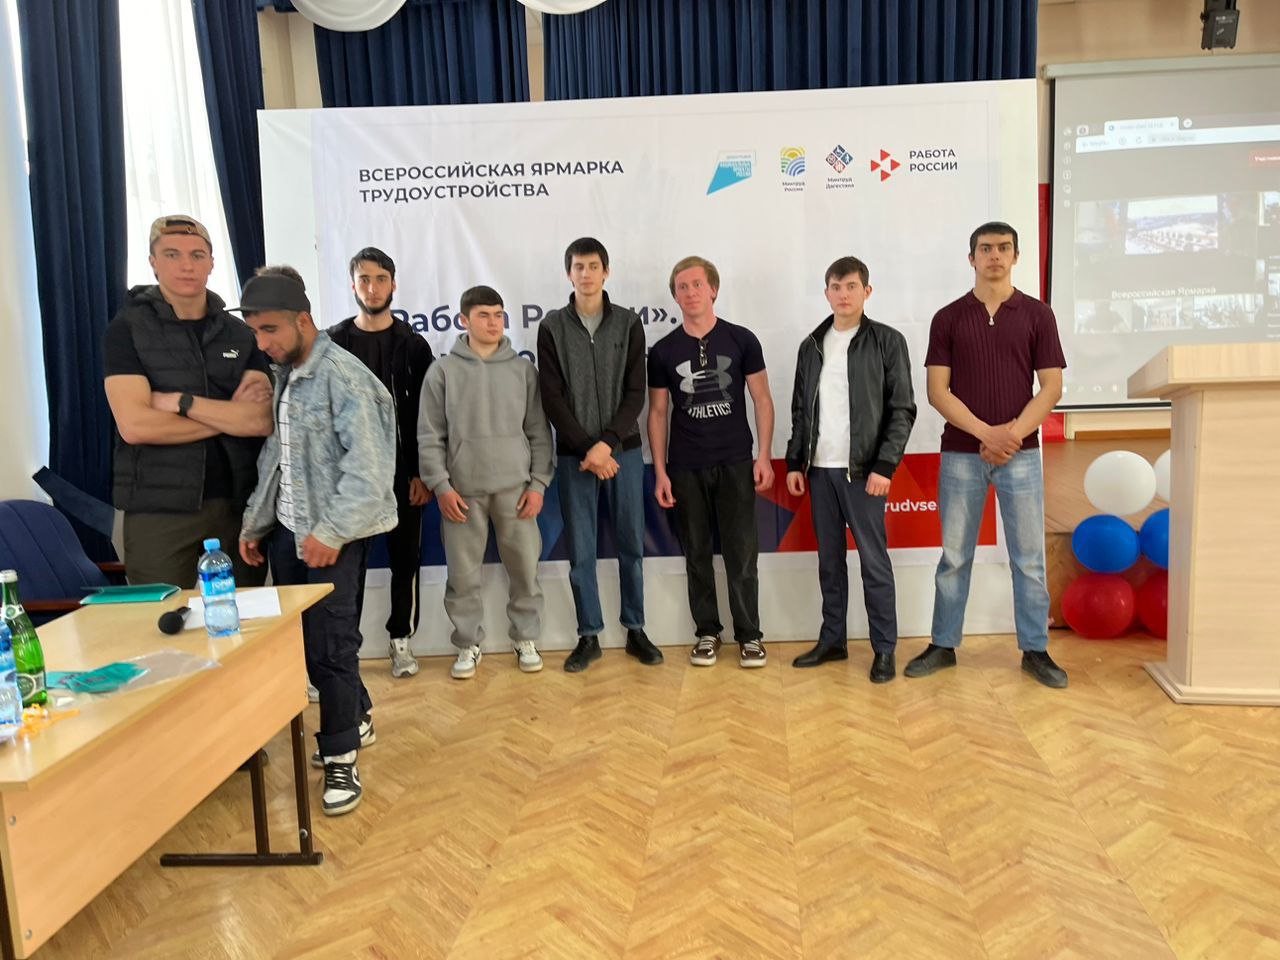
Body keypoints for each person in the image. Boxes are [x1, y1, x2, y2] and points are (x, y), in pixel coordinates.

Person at [237, 270, 398, 816]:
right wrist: (256, 523)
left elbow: (370, 474)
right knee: (306, 645)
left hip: (335, 535)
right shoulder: (286, 374)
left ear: (303, 321)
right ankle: (357, 712)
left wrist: (329, 533)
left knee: (331, 646)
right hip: (290, 531)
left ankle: (340, 756)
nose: (262, 343)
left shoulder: (345, 379)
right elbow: (278, 459)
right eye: (255, 332)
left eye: (270, 330)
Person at [905, 222, 1069, 688]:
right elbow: (938, 391)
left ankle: (1035, 650)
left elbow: (1052, 387)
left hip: (1022, 454)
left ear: (1015, 257)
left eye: (1003, 248)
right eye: (985, 248)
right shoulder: (948, 318)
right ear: (971, 258)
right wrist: (986, 434)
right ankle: (943, 645)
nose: (994, 255)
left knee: (1029, 559)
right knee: (955, 556)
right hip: (962, 453)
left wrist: (1011, 436)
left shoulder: (1038, 315)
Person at [103, 215, 273, 587]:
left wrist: (181, 403)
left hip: (236, 504)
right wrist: (229, 416)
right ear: (153, 262)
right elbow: (135, 426)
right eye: (172, 254)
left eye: (197, 255)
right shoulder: (127, 329)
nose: (186, 265)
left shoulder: (240, 333)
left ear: (212, 262)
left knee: (247, 615)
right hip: (158, 507)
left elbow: (260, 420)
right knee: (161, 616)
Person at [784, 256, 916, 681]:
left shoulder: (887, 341)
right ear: (826, 293)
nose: (844, 294)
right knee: (829, 561)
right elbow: (800, 410)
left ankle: (884, 649)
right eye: (836, 287)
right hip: (819, 471)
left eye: (852, 286)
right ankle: (833, 641)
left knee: (874, 563)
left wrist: (885, 465)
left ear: (867, 291)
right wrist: (794, 462)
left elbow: (902, 409)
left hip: (864, 472)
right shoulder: (812, 344)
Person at [538, 238, 662, 672]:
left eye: (593, 266)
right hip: (575, 457)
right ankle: (588, 635)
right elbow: (551, 397)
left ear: (606, 271)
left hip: (622, 452)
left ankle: (636, 629)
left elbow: (635, 393)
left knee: (631, 544)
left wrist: (606, 444)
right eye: (578, 266)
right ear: (568, 273)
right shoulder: (552, 326)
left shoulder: (628, 323)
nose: (586, 274)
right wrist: (587, 447)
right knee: (582, 550)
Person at [418, 286, 554, 681]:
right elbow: (430, 435)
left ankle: (525, 638)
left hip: (516, 491)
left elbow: (539, 432)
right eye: (483, 315)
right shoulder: (442, 372)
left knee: (525, 571)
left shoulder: (523, 371)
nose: (493, 323)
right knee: (462, 577)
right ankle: (467, 643)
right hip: (462, 493)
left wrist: (538, 484)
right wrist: (441, 485)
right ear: (464, 320)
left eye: (498, 315)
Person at [647, 256, 774, 668]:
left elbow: (762, 399)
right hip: (685, 466)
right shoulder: (663, 351)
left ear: (713, 289)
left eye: (697, 284)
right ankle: (707, 632)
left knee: (742, 554)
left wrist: (764, 456)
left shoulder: (742, 340)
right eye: (682, 287)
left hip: (736, 461)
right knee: (697, 554)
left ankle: (750, 636)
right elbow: (657, 414)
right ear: (675, 296)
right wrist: (661, 471)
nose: (690, 293)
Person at [328, 247, 435, 679]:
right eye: (364, 279)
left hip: (403, 477)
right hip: (351, 480)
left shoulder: (414, 345)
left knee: (404, 563)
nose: (372, 288)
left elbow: (428, 416)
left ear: (393, 284)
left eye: (380, 279)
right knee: (347, 570)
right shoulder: (333, 343)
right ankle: (343, 652)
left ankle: (400, 640)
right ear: (352, 285)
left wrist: (422, 472)